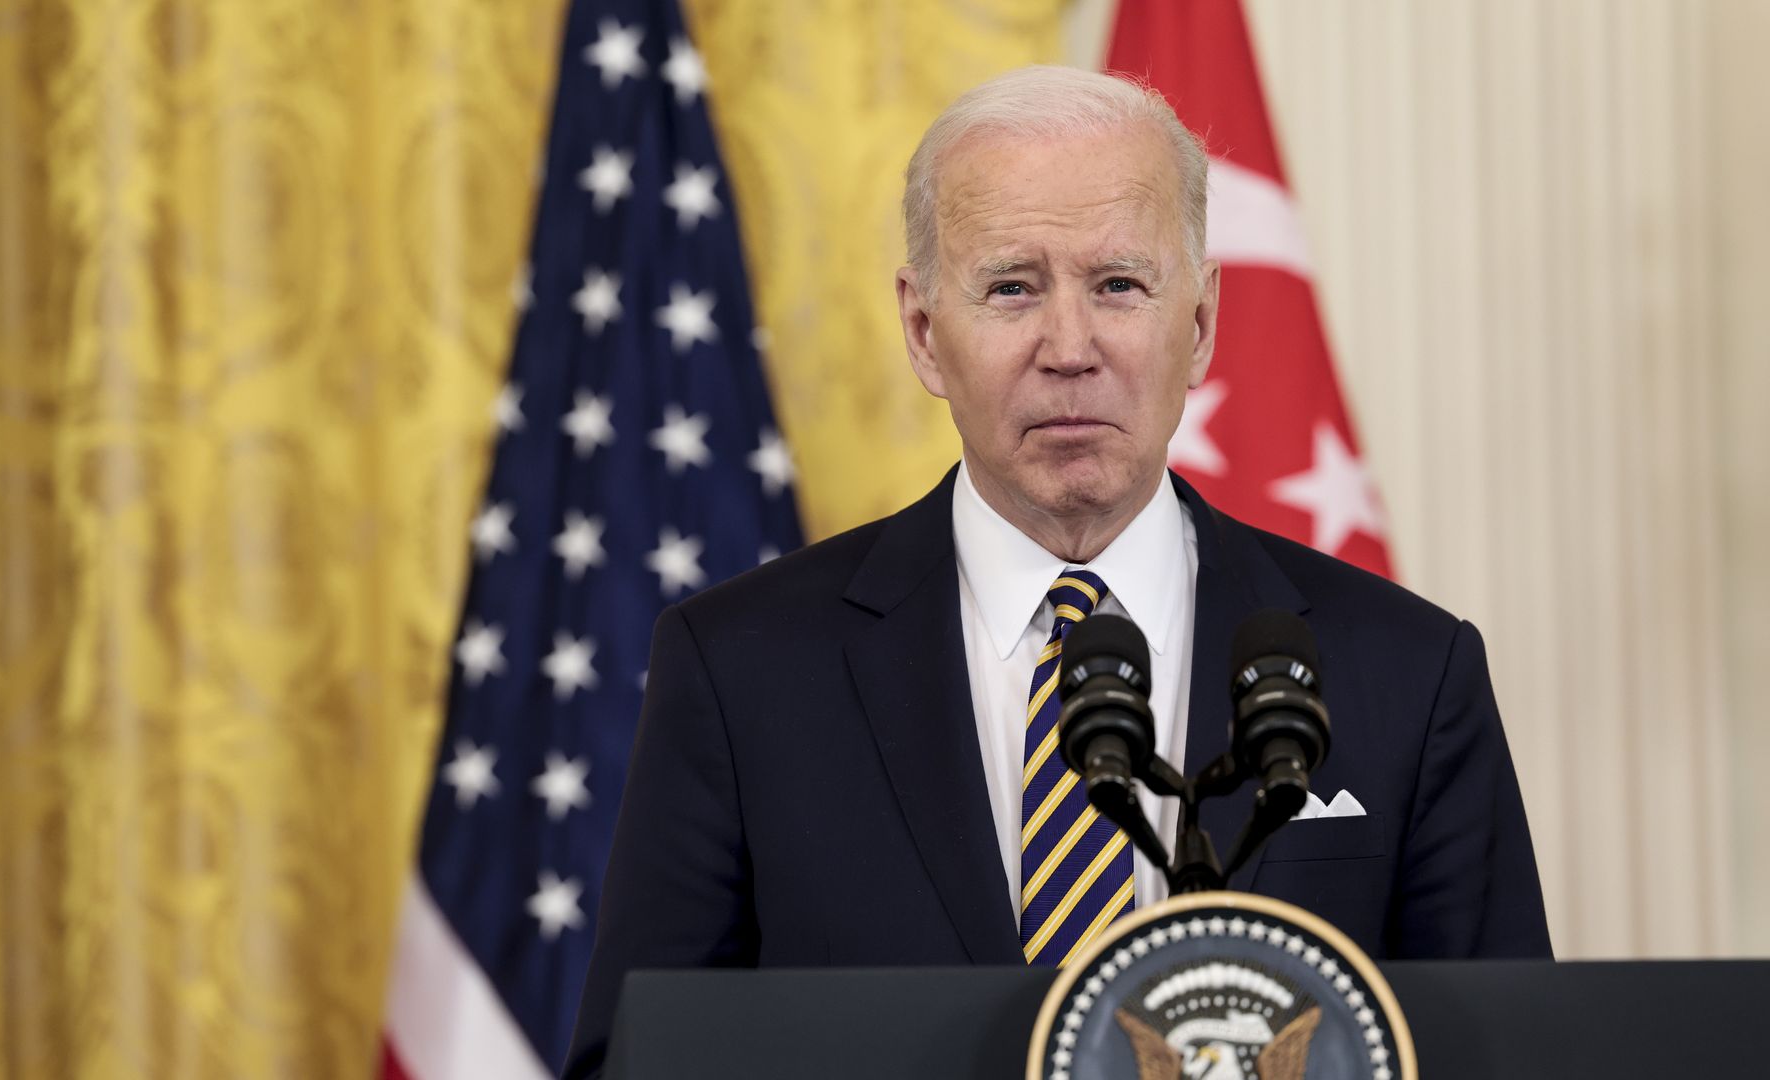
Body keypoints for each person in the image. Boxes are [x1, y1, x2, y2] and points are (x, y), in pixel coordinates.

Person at [562, 65, 1548, 1078]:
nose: (1069, 348)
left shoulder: (1408, 673)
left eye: (1118, 284)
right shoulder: (741, 672)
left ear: (1199, 324)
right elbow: (636, 1064)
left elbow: (1506, 1059)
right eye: (1012, 288)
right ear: (923, 332)